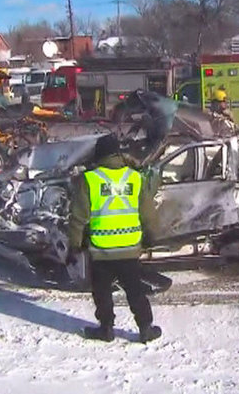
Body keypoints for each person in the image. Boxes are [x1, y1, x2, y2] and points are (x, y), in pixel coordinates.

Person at [68, 134, 162, 343]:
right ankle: (145, 328)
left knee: (102, 292)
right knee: (135, 290)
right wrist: (151, 237)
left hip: (101, 250)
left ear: (99, 154)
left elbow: (78, 218)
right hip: (129, 248)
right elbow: (148, 213)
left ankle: (106, 328)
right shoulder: (135, 178)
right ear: (118, 154)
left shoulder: (90, 179)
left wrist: (74, 246)